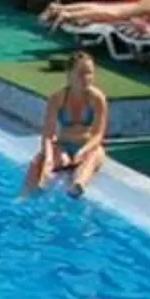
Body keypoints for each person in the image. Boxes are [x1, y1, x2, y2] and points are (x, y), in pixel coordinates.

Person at [24, 54, 111, 199]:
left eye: (90, 73)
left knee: (95, 155)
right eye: (81, 73)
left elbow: (98, 134)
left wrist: (83, 151)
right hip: (63, 146)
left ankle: (78, 185)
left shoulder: (97, 99)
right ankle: (27, 196)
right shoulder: (57, 98)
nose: (87, 77)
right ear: (69, 74)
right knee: (37, 163)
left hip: (87, 146)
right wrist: (49, 158)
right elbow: (48, 135)